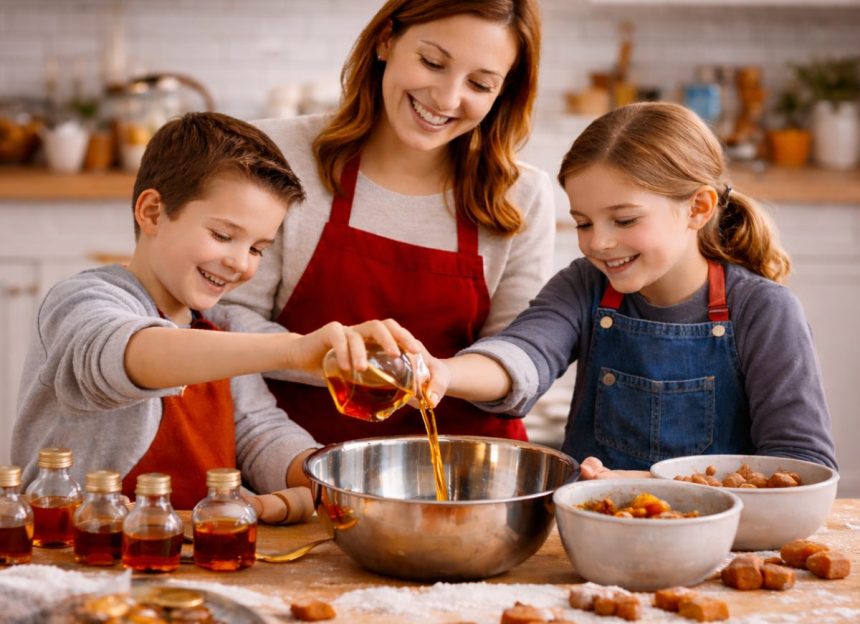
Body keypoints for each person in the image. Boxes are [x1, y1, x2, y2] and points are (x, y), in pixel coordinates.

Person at [11, 112, 422, 509]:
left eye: (257, 248)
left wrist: (341, 479)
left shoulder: (223, 327)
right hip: (74, 551)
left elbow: (260, 434)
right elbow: (131, 355)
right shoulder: (81, 302)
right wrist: (292, 350)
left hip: (193, 554)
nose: (241, 263)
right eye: (224, 235)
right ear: (152, 212)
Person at [425, 102, 837, 477]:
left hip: (719, 550)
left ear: (698, 208)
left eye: (623, 221)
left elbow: (801, 466)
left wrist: (651, 486)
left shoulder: (763, 310)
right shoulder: (585, 284)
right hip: (596, 543)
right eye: (584, 223)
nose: (598, 243)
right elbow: (524, 354)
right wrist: (439, 372)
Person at [221, 0, 555, 444]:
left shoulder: (521, 195)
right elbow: (227, 316)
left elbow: (519, 356)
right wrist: (328, 359)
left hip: (465, 469)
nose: (447, 98)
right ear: (386, 40)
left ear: (503, 93)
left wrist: (431, 374)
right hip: (293, 453)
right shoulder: (278, 153)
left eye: (479, 83)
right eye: (432, 62)